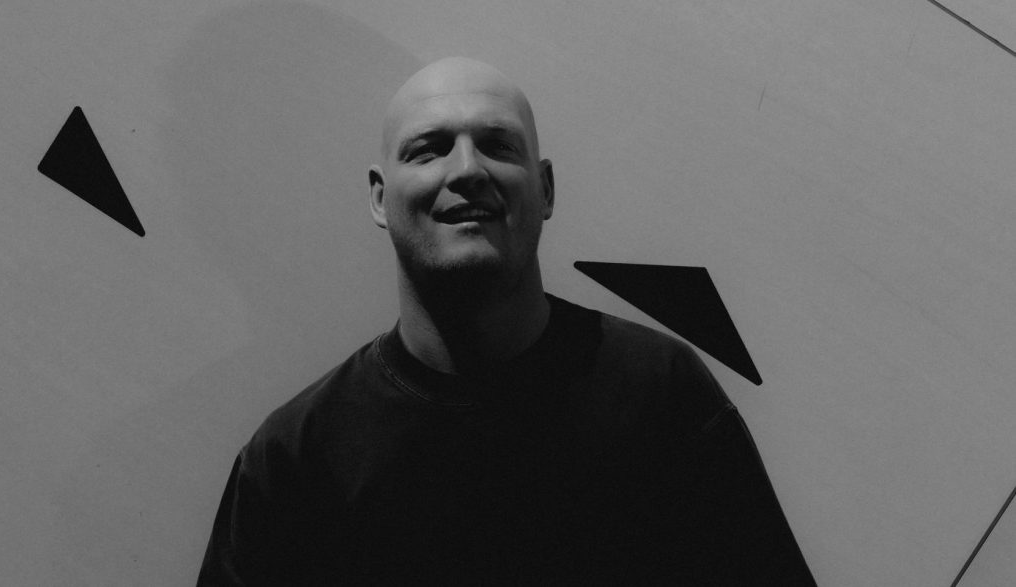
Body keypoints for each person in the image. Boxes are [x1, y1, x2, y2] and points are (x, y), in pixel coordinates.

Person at [198, 57, 817, 586]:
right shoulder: (295, 460)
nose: (467, 170)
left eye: (498, 146)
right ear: (380, 198)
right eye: (429, 149)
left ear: (544, 189)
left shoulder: (662, 396)